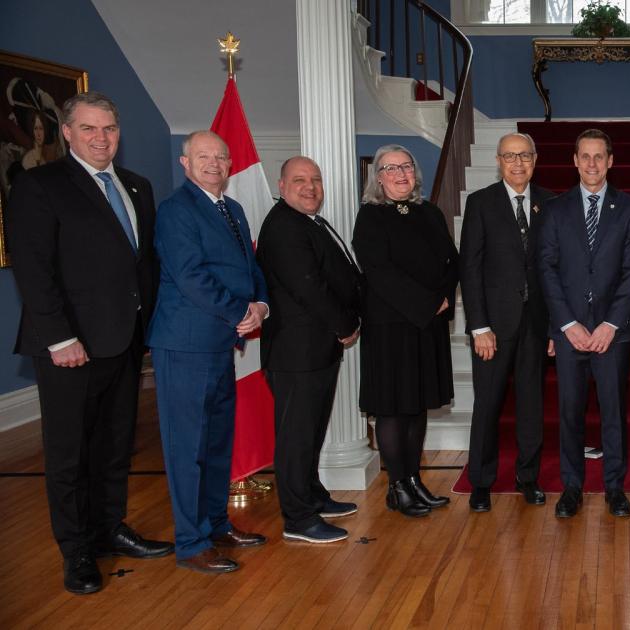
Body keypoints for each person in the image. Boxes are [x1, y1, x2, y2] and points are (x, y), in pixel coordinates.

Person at [7, 92, 172, 595]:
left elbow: (143, 266)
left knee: (114, 445)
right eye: (90, 129)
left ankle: (108, 528)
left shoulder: (138, 187)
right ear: (68, 132)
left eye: (109, 130)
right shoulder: (39, 185)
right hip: (70, 346)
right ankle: (76, 550)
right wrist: (60, 337)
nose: (101, 139)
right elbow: (34, 270)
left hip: (124, 341)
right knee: (69, 453)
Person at [148, 130, 270, 573]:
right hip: (185, 344)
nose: (214, 163)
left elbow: (250, 267)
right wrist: (240, 311)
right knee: (188, 448)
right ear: (185, 163)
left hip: (222, 343)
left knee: (217, 443)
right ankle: (191, 542)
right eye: (203, 156)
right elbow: (190, 276)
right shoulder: (176, 211)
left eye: (220, 156)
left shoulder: (232, 208)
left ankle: (217, 524)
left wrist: (260, 305)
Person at [539, 128, 630, 519]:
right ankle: (572, 486)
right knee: (569, 411)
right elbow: (546, 270)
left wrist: (610, 325)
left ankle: (614, 487)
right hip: (569, 334)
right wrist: (567, 324)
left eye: (599, 156)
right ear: (574, 161)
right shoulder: (554, 209)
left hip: (611, 335)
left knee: (613, 411)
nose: (592, 164)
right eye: (585, 156)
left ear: (611, 161)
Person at [256, 156, 362, 543]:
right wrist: (345, 324)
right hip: (296, 353)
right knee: (296, 436)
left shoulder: (309, 222)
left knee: (312, 430)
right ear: (281, 186)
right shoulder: (284, 226)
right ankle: (298, 518)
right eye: (299, 180)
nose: (310, 187)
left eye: (316, 179)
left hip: (317, 350)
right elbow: (309, 287)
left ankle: (312, 495)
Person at [353, 144, 458, 518]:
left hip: (426, 327)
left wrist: (444, 297)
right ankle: (397, 487)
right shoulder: (370, 217)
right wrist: (428, 303)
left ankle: (414, 481)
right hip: (390, 328)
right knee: (393, 409)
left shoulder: (428, 212)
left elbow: (451, 259)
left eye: (406, 167)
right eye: (391, 168)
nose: (400, 174)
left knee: (416, 408)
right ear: (377, 177)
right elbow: (380, 272)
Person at [460, 133, 555, 512]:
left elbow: (555, 268)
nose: (518, 163)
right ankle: (481, 481)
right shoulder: (480, 202)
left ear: (535, 159)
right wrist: (478, 326)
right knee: (488, 404)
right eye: (510, 156)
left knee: (532, 404)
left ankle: (527, 477)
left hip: (536, 323)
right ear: (498, 160)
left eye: (525, 156)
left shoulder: (550, 203)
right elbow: (470, 267)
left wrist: (555, 327)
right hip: (493, 328)